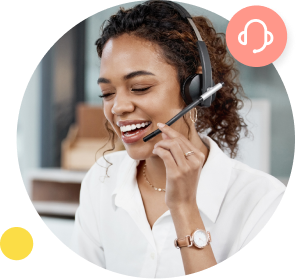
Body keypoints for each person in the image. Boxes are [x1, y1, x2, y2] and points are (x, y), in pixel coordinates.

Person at [70, 1, 286, 277]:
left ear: (195, 90)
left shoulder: (261, 200)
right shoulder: (101, 180)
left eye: (139, 87)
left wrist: (185, 209)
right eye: (107, 93)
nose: (118, 107)